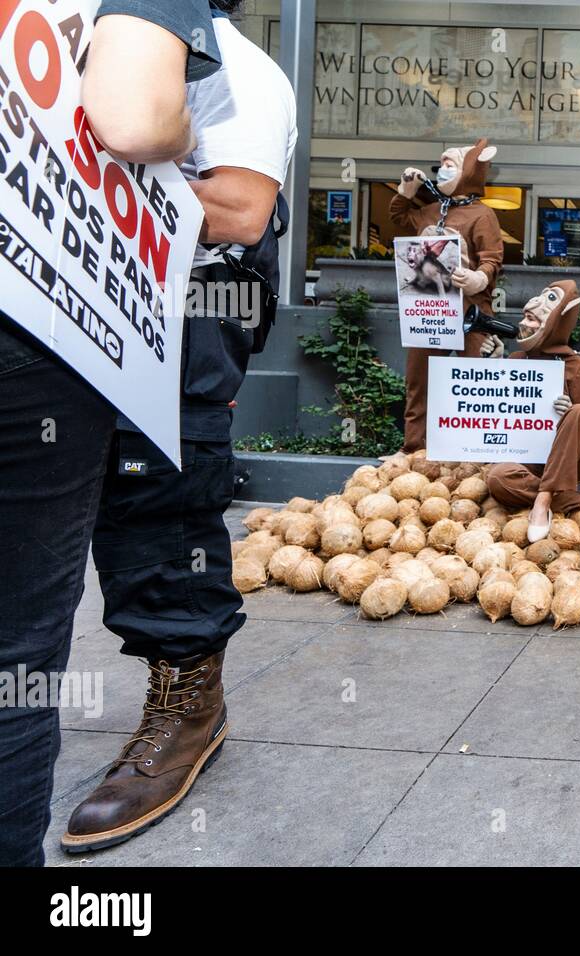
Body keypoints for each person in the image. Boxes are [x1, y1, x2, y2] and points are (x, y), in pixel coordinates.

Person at [60, 0, 297, 854]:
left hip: (193, 304)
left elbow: (237, 209)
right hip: (82, 300)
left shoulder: (240, 67)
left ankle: (187, 702)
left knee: (157, 491)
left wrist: (93, 186)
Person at [0, 0, 222, 868]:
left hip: (125, 350)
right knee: (13, 659)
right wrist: (176, 135)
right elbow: (131, 115)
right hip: (37, 326)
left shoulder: (263, 87)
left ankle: (190, 691)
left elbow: (241, 212)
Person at [391, 140, 505, 454]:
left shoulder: (483, 215)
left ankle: (475, 449)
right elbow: (400, 219)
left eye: (451, 163)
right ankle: (415, 447)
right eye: (441, 163)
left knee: (475, 378)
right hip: (429, 307)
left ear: (468, 171)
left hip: (471, 310)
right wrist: (406, 190)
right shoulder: (429, 210)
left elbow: (493, 258)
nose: (442, 168)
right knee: (419, 379)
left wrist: (478, 278)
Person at [480, 281, 580, 540]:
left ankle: (542, 502)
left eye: (549, 299)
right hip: (529, 461)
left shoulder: (576, 364)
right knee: (497, 479)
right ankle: (575, 499)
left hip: (571, 460)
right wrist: (494, 370)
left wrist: (570, 412)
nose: (533, 307)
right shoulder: (516, 360)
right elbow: (497, 410)